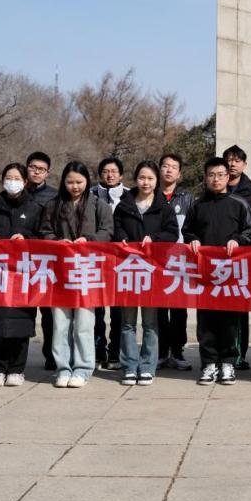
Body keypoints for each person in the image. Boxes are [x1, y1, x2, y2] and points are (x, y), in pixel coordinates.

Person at [39, 161, 114, 388]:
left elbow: (107, 231)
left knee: (84, 323)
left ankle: (83, 368)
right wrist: (56, 241)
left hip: (87, 271)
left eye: (79, 182)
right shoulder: (53, 205)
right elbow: (44, 231)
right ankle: (63, 367)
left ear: (87, 181)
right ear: (63, 182)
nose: (75, 186)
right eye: (70, 182)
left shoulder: (99, 205)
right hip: (60, 272)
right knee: (61, 324)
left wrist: (89, 240)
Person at [183, 157, 251, 386]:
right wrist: (192, 239)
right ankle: (208, 363)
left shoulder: (239, 203)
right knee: (206, 320)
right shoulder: (197, 205)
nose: (216, 179)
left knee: (229, 320)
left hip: (230, 273)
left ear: (228, 177)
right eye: (211, 175)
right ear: (205, 178)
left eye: (220, 175)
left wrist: (238, 240)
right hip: (205, 273)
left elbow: (250, 230)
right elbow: (187, 230)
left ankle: (228, 363)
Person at [112, 160, 179, 386]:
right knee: (127, 323)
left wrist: (155, 239)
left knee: (150, 323)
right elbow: (116, 228)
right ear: (135, 179)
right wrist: (121, 238)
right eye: (142, 178)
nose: (146, 182)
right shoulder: (124, 205)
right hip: (129, 270)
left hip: (152, 271)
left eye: (150, 178)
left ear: (157, 181)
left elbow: (172, 233)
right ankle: (129, 367)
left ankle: (148, 366)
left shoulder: (164, 207)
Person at [0, 163, 43, 387]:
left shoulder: (35, 208)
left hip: (22, 275)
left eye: (17, 178)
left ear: (25, 182)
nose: (12, 182)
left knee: (20, 321)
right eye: (8, 177)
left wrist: (26, 238)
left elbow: (43, 237)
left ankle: (17, 369)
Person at [222, 144, 251, 370]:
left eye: (237, 160)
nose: (232, 164)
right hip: (217, 260)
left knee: (238, 309)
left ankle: (238, 354)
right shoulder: (216, 187)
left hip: (242, 259)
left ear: (244, 164)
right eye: (229, 159)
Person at [156, 153, 194, 371]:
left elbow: (193, 228)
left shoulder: (188, 199)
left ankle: (178, 352)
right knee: (159, 310)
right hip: (156, 263)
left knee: (179, 310)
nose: (169, 170)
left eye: (173, 167)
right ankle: (161, 352)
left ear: (179, 173)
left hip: (181, 263)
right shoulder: (151, 196)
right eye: (165, 166)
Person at [91, 156, 129, 370]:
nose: (110, 175)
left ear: (121, 175)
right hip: (96, 259)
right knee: (97, 309)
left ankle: (115, 352)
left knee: (118, 310)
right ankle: (99, 351)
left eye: (114, 171)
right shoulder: (90, 195)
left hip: (121, 260)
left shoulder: (129, 196)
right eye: (106, 171)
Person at [25, 151, 58, 371]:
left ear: (48, 173)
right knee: (23, 310)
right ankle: (18, 357)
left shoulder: (54, 196)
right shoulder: (16, 192)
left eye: (41, 169)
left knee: (49, 313)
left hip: (45, 261)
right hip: (20, 261)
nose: (36, 172)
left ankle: (51, 354)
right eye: (33, 167)